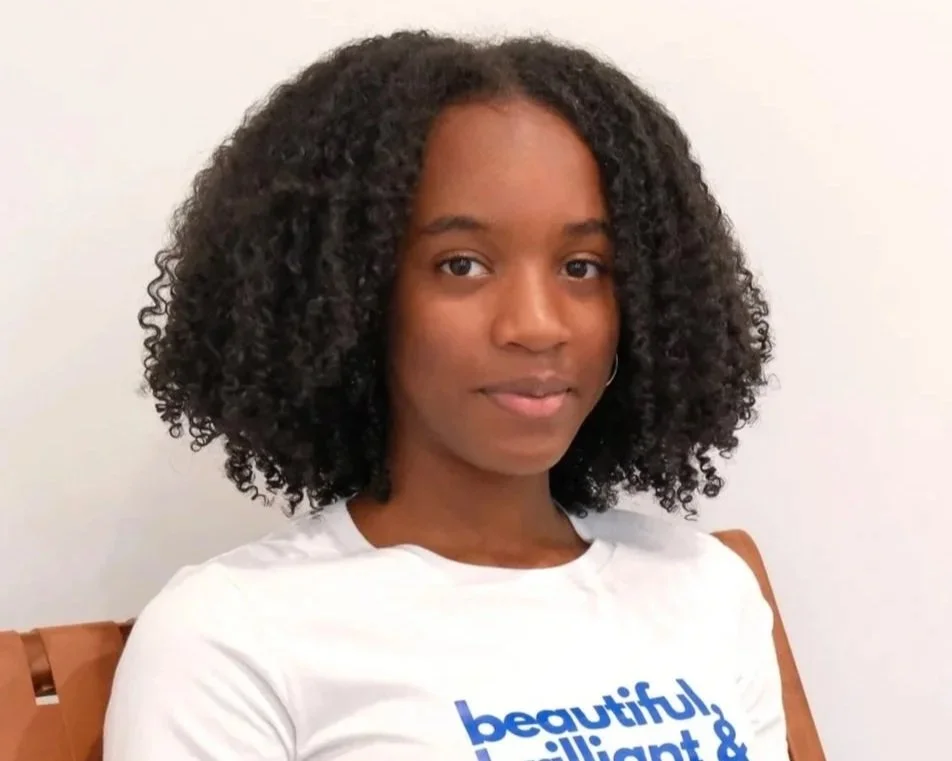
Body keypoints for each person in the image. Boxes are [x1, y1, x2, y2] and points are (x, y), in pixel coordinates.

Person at [104, 29, 783, 761]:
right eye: (462, 265)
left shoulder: (704, 588)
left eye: (583, 267)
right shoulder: (235, 636)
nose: (536, 324)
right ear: (351, 297)